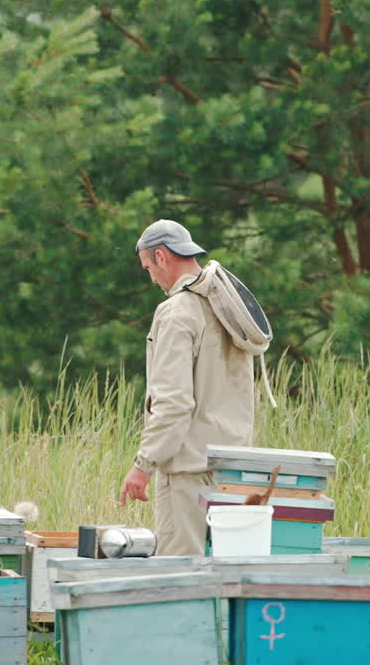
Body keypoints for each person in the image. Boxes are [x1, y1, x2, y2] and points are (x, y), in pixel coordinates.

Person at [118, 219, 255, 556]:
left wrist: (143, 465)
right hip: (235, 467)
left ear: (162, 257)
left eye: (148, 266)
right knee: (228, 573)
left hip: (188, 470)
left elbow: (175, 403)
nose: (151, 277)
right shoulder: (228, 307)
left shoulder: (176, 312)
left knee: (182, 575)